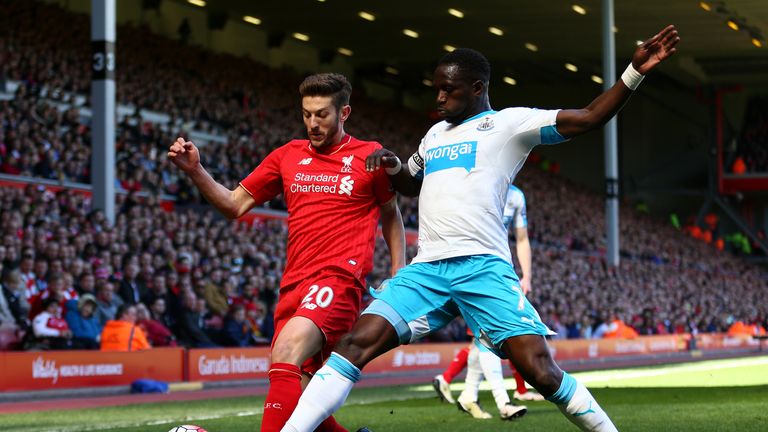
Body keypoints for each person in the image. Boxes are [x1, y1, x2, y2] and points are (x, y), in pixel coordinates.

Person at [282, 25, 679, 432]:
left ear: (476, 87)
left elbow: (591, 117)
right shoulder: (435, 134)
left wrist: (633, 72)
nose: (437, 97)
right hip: (428, 269)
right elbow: (411, 184)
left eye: (447, 89)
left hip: (483, 268)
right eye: (435, 88)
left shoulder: (510, 125)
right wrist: (393, 164)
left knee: (541, 372)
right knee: (352, 346)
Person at [168, 72, 406, 432]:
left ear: (344, 113)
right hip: (294, 283)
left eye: (322, 114)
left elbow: (391, 215)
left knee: (287, 352)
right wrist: (196, 170)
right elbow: (235, 204)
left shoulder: (368, 155)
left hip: (339, 278)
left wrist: (398, 274)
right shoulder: (287, 156)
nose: (312, 122)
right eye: (307, 113)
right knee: (304, 394)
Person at [433, 185, 543, 414]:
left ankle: (468, 395)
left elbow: (522, 238)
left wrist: (527, 275)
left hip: (499, 273)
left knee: (481, 338)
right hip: (469, 271)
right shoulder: (474, 183)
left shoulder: (516, 196)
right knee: (489, 335)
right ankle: (504, 402)